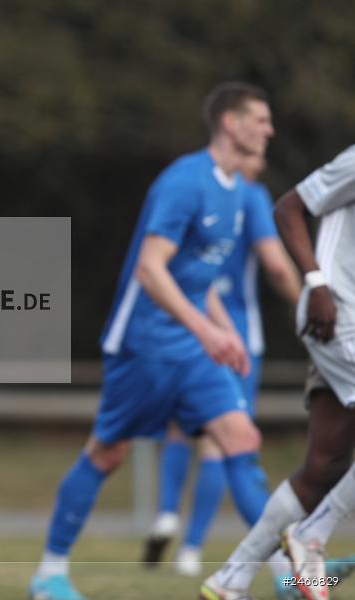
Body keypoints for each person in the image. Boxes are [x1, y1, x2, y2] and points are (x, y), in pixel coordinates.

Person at [28, 82, 276, 600]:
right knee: (108, 451)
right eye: (260, 119)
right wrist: (206, 328)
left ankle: (290, 579)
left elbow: (194, 277)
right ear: (231, 123)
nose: (269, 130)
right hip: (144, 343)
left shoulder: (237, 192)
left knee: (242, 439)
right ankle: (49, 573)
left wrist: (221, 329)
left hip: (190, 345)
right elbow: (150, 269)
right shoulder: (185, 182)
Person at [201, 145, 355, 600]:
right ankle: (312, 538)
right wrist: (315, 282)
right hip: (337, 314)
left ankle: (230, 580)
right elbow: (290, 205)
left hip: (343, 326)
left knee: (324, 466)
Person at [142, 153, 301, 579]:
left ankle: (167, 514)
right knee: (229, 441)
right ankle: (196, 550)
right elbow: (275, 264)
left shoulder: (193, 191)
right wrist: (307, 303)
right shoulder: (249, 196)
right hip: (235, 336)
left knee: (183, 428)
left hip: (186, 326)